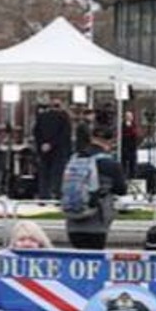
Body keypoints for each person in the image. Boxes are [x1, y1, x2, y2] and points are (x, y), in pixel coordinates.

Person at [61, 121, 126, 250]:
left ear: (91, 138)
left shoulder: (75, 159)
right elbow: (121, 190)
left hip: (72, 220)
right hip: (97, 221)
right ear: (110, 141)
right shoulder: (110, 164)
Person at [34, 98, 72, 202]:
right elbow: (64, 135)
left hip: (43, 150)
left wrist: (43, 144)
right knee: (57, 173)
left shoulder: (41, 117)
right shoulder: (64, 117)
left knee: (44, 173)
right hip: (59, 150)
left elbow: (36, 132)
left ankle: (43, 195)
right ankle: (56, 195)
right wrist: (52, 144)